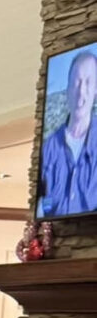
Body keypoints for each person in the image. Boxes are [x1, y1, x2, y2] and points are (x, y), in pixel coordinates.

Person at [38, 50, 97, 217]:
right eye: (76, 82)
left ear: (95, 91)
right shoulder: (48, 148)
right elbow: (42, 204)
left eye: (88, 83)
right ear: (68, 88)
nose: (81, 91)